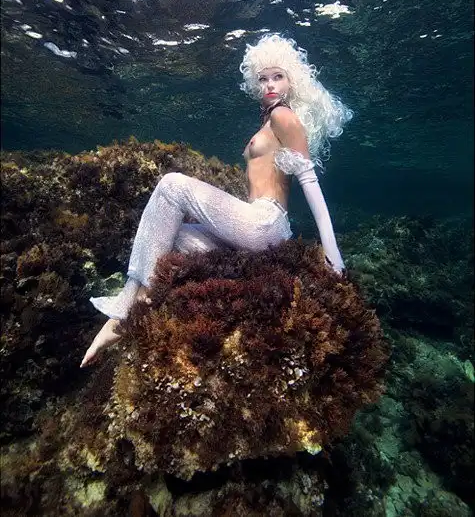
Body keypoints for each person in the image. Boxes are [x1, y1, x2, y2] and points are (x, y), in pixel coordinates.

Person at [80, 33, 353, 368]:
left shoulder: (284, 117)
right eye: (262, 78)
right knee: (172, 237)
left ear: (292, 80)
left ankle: (127, 311)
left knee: (171, 185)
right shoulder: (270, 120)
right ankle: (151, 303)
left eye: (278, 76)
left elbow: (310, 184)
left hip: (265, 222)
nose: (269, 84)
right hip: (260, 232)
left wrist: (335, 261)